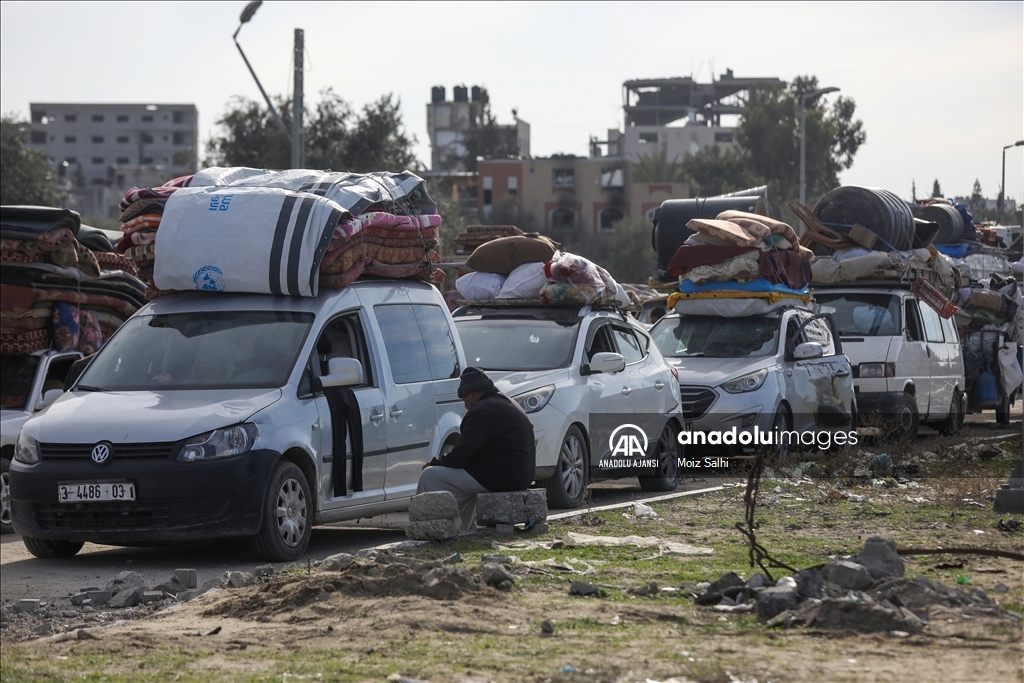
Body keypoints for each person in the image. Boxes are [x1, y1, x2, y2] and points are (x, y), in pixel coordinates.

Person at [417, 367, 535, 529]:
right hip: (519, 476)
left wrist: (435, 462)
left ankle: (428, 529)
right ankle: (461, 529)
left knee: (430, 476)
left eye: (465, 400)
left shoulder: (483, 410)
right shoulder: (507, 402)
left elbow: (463, 456)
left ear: (471, 394)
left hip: (500, 478)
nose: (466, 406)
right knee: (460, 483)